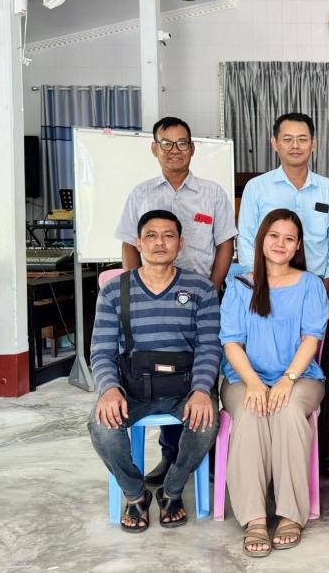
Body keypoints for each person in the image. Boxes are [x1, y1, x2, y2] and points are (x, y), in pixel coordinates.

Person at [115, 116, 236, 484]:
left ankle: (203, 451)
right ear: (154, 149)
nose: (174, 150)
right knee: (163, 372)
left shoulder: (213, 193)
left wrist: (213, 288)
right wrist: (136, 290)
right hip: (154, 301)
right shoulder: (141, 194)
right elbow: (129, 243)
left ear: (192, 148)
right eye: (166, 144)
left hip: (200, 300)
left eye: (182, 143)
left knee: (203, 370)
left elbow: (225, 244)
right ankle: (171, 458)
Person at [89, 209, 220, 533]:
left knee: (206, 423)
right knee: (101, 427)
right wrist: (109, 389)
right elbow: (101, 351)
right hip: (133, 390)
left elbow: (208, 347)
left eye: (168, 235)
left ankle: (171, 490)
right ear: (138, 243)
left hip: (184, 389)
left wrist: (202, 390)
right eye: (151, 235)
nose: (159, 242)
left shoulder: (201, 289)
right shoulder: (114, 291)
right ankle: (135, 494)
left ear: (181, 243)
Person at [220, 208, 328, 557]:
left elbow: (311, 339)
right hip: (243, 377)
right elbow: (231, 342)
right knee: (251, 412)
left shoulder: (310, 285)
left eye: (289, 239)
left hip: (300, 377)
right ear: (261, 240)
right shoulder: (240, 285)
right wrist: (254, 383)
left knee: (288, 410)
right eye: (274, 236)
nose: (281, 244)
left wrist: (287, 379)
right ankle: (254, 517)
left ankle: (290, 514)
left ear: (298, 246)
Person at [237, 112, 329, 296]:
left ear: (313, 144)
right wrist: (258, 280)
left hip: (317, 285)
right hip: (267, 286)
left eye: (302, 139)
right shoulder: (256, 187)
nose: (295, 146)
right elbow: (246, 239)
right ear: (275, 143)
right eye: (287, 139)